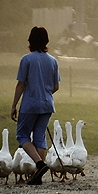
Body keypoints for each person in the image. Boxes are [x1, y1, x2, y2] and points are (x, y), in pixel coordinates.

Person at [11, 26, 60, 185]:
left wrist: (14, 105)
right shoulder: (53, 61)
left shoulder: (27, 59)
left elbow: (21, 84)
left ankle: (39, 165)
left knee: (22, 135)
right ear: (46, 41)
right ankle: (37, 175)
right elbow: (56, 86)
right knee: (39, 137)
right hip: (47, 105)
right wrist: (44, 94)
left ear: (30, 41)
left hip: (30, 105)